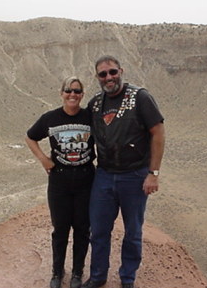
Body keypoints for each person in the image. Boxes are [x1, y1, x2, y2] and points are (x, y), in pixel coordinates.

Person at [81, 55, 165, 288]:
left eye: (113, 72)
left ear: (121, 71)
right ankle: (98, 276)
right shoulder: (96, 103)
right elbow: (83, 129)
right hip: (104, 175)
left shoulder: (140, 98)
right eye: (103, 74)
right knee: (98, 230)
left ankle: (127, 278)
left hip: (134, 176)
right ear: (97, 77)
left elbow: (158, 133)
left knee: (133, 231)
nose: (109, 77)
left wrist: (153, 173)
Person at [25, 76, 95, 288]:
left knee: (82, 228)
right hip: (59, 181)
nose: (72, 94)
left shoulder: (90, 117)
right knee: (61, 228)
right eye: (68, 90)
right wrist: (44, 160)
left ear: (82, 95)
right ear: (61, 93)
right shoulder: (50, 118)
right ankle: (57, 272)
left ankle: (77, 272)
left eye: (77, 91)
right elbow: (30, 137)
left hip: (85, 179)